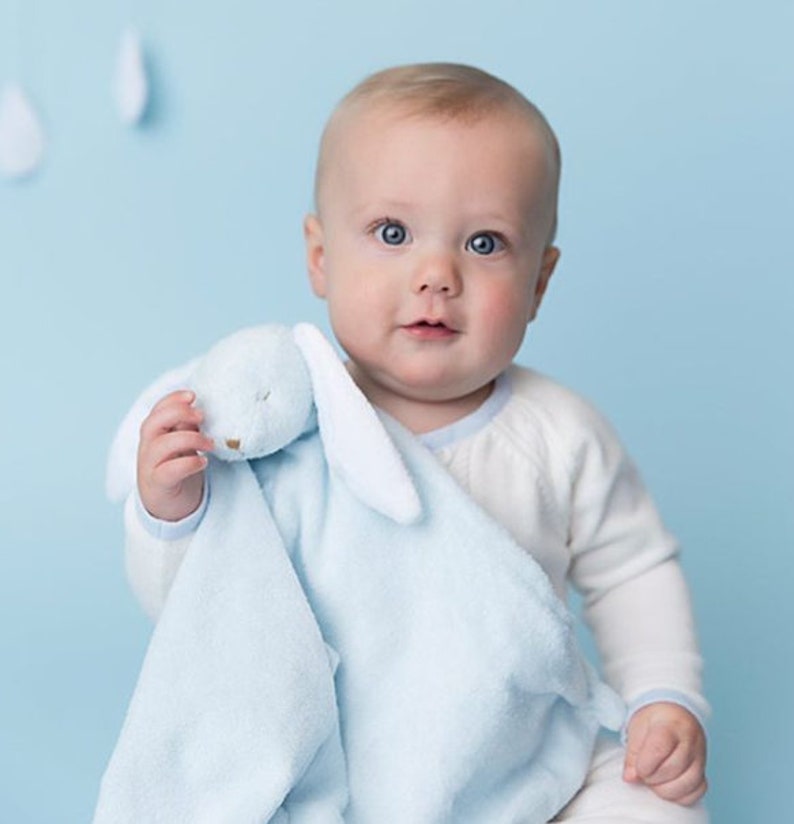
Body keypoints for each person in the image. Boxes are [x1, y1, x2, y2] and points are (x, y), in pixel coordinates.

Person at [126, 63, 708, 821]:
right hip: (341, 775)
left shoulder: (560, 435)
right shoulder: (287, 434)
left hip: (531, 766)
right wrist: (173, 512)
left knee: (655, 806)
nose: (437, 274)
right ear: (321, 257)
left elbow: (634, 572)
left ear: (539, 283)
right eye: (392, 233)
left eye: (486, 243)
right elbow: (206, 608)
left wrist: (664, 697)